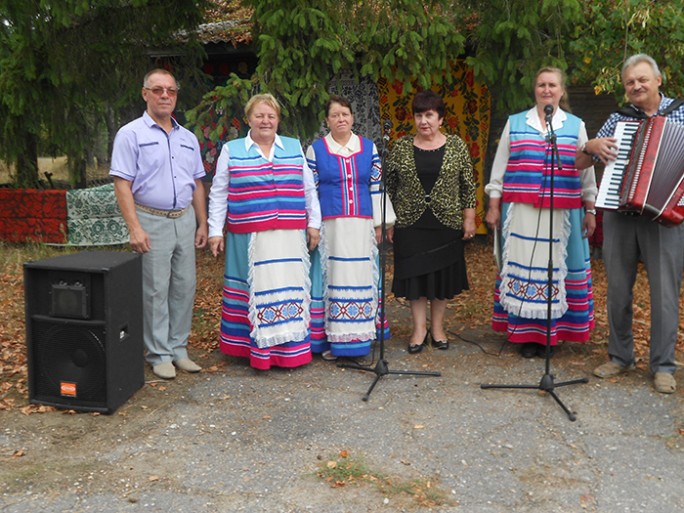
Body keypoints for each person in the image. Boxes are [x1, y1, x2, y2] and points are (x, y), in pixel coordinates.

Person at [579, 54, 684, 394]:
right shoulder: (617, 119)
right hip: (620, 214)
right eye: (629, 82)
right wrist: (591, 146)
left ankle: (663, 365)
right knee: (619, 289)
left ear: (658, 80)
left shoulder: (680, 114)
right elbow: (580, 160)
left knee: (665, 292)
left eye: (642, 79)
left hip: (665, 218)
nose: (636, 86)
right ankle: (620, 356)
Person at [484, 66, 597, 359]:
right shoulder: (515, 123)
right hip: (522, 211)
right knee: (526, 269)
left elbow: (587, 173)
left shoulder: (575, 125)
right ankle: (526, 336)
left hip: (562, 214)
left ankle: (553, 334)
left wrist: (591, 209)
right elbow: (499, 169)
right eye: (541, 85)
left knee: (554, 272)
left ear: (561, 91)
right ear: (534, 89)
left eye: (552, 85)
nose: (546, 90)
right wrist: (494, 206)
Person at [207, 93, 321, 370]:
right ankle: (255, 351)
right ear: (248, 119)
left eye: (271, 116)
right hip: (249, 237)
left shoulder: (293, 147)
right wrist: (215, 231)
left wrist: (314, 224)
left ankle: (290, 350)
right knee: (256, 292)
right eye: (259, 115)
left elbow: (308, 189)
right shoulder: (232, 150)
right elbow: (219, 192)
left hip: (289, 237)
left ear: (278, 120)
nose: (265, 121)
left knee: (288, 290)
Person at [110, 68, 208, 380]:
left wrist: (202, 223)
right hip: (151, 219)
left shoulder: (188, 138)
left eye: (170, 90)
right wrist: (135, 227)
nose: (164, 95)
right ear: (145, 94)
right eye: (157, 90)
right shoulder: (131, 134)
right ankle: (159, 353)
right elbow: (122, 184)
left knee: (184, 286)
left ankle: (178, 349)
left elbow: (196, 182)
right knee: (154, 289)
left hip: (184, 219)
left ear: (176, 96)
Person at [385, 90, 477, 354]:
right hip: (410, 223)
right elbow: (389, 188)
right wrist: (389, 222)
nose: (423, 121)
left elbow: (468, 185)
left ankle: (437, 329)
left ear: (440, 118)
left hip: (446, 223)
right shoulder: (401, 146)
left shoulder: (457, 145)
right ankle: (418, 329)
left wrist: (468, 218)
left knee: (440, 279)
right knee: (415, 279)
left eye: (429, 115)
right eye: (418, 115)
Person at [305, 95, 396, 360]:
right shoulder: (317, 150)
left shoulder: (368, 148)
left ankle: (361, 339)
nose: (341, 119)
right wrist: (313, 226)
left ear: (352, 117)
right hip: (330, 228)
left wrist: (380, 224)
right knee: (333, 278)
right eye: (335, 115)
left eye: (345, 114)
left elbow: (377, 188)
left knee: (362, 277)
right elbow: (311, 191)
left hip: (362, 225)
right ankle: (335, 340)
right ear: (327, 120)